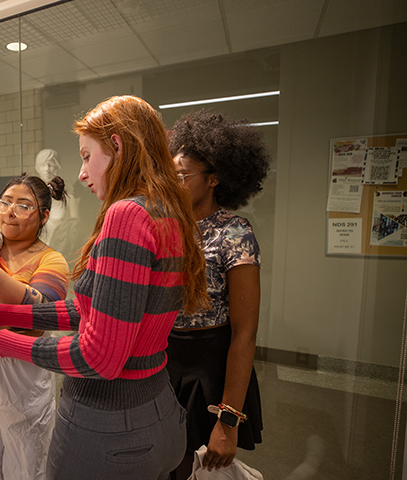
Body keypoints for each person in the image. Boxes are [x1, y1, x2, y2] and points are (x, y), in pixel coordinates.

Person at [0, 95, 210, 480]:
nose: (81, 173)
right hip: (158, 413)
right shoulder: (168, 210)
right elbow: (93, 311)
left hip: (110, 429)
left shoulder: (127, 214)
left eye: (85, 155)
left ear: (117, 145)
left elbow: (99, 357)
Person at [166, 109, 269, 479]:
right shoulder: (165, 227)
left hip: (210, 365)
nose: (172, 184)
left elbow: (244, 333)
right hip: (166, 359)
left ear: (213, 179)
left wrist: (227, 422)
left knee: (200, 467)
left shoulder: (234, 233)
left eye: (182, 177)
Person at [0, 174, 70, 480]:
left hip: (22, 371)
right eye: (5, 202)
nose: (9, 211)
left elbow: (39, 317)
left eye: (23, 206)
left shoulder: (51, 260)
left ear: (44, 216)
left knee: (26, 460)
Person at [33, 149, 80, 257]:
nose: (47, 169)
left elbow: (75, 230)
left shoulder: (68, 199)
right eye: (43, 165)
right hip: (35, 256)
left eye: (51, 165)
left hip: (59, 255)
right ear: (37, 168)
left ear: (57, 167)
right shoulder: (31, 198)